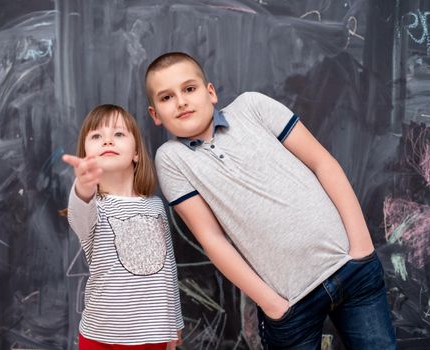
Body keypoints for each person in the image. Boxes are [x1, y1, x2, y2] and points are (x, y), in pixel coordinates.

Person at [144, 52, 396, 349]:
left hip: (350, 266)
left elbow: (322, 163)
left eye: (189, 89)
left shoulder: (252, 107)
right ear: (155, 115)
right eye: (167, 97)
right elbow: (212, 238)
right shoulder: (172, 159)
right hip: (289, 303)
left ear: (210, 92)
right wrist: (272, 303)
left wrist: (362, 247)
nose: (182, 101)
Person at [62, 104, 183, 350]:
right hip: (99, 335)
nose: (107, 141)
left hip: (151, 335)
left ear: (136, 152)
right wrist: (83, 185)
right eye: (96, 136)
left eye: (118, 134)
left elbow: (169, 268)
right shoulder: (93, 206)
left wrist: (175, 324)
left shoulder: (156, 206)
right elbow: (78, 210)